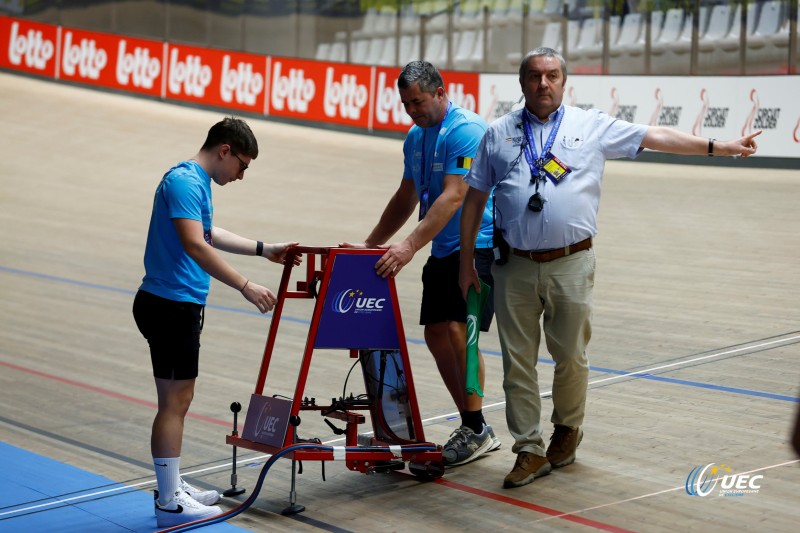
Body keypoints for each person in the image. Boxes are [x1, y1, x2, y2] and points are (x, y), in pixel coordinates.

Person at [458, 47, 761, 489]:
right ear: (521, 83)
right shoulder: (498, 133)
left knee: (571, 357)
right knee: (516, 364)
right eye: (535, 76)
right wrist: (467, 262)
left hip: (572, 263)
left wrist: (719, 147)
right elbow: (473, 201)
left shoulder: (591, 125)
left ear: (565, 81)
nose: (544, 83)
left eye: (552, 75)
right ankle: (528, 448)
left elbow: (658, 135)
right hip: (514, 267)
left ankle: (566, 431)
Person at [132, 117, 300, 527]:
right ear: (224, 150)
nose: (241, 175)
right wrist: (245, 285)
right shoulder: (185, 182)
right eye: (242, 165)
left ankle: (172, 485)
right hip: (170, 305)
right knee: (174, 403)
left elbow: (208, 232)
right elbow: (194, 244)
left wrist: (265, 249)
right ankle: (169, 502)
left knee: (178, 401)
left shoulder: (195, 182)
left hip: (177, 304)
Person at [341, 61, 499, 466]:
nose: (413, 111)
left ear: (442, 92)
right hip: (443, 249)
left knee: (458, 329)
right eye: (406, 104)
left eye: (419, 102)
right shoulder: (415, 137)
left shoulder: (467, 130)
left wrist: (408, 246)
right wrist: (370, 245)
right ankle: (472, 423)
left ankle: (477, 425)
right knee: (434, 335)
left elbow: (454, 196)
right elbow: (405, 197)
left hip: (477, 245)